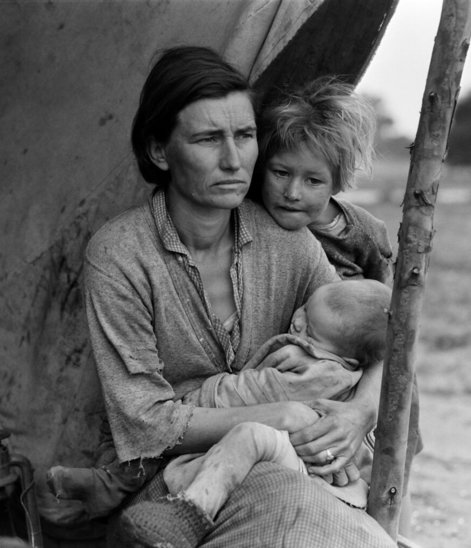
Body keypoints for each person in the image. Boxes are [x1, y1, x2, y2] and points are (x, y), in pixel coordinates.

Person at [42, 46, 397, 547]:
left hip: (289, 464)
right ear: (160, 150)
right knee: (291, 507)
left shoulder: (288, 242)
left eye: (246, 136)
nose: (234, 161)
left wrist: (361, 409)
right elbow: (145, 422)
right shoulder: (121, 254)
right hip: (173, 485)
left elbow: (367, 337)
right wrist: (273, 415)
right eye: (209, 139)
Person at [47, 279, 390, 516]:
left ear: (350, 358)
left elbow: (252, 394)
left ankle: (116, 486)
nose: (297, 321)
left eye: (309, 329)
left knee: (170, 444)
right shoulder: (328, 346)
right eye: (303, 309)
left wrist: (200, 400)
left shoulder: (319, 374)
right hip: (284, 442)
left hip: (288, 455)